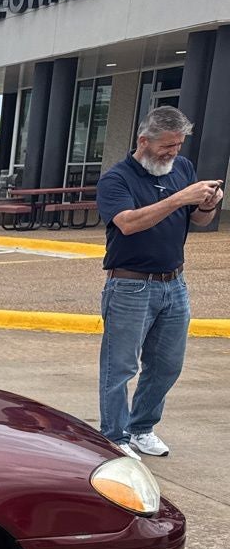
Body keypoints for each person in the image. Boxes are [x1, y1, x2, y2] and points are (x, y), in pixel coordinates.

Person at [95, 106, 224, 457]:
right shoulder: (116, 179)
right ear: (144, 141)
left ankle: (142, 428)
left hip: (174, 283)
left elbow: (197, 219)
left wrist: (209, 204)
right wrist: (181, 196)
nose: (174, 153)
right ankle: (115, 436)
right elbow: (128, 223)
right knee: (120, 366)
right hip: (129, 285)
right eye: (167, 146)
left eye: (178, 146)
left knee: (167, 364)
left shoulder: (181, 168)